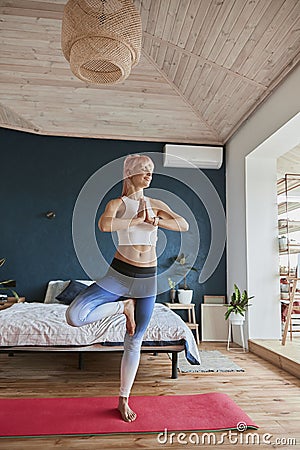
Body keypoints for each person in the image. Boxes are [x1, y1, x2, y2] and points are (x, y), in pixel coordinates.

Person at [66, 154, 189, 422]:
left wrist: (157, 221)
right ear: (129, 173)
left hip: (147, 279)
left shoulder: (156, 203)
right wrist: (136, 221)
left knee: (134, 341)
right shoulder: (118, 204)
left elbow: (183, 224)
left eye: (151, 171)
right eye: (144, 170)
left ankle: (124, 399)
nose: (149, 174)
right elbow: (104, 224)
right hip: (119, 275)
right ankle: (123, 305)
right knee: (74, 316)